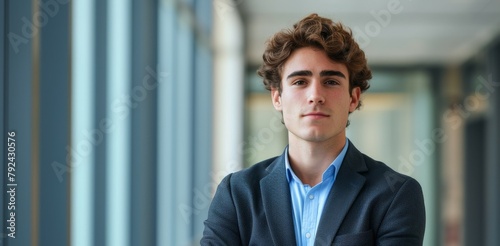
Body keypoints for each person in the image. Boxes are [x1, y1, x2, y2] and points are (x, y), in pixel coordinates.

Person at [201, 13, 425, 246]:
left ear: (353, 98)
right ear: (277, 97)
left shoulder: (395, 194)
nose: (315, 96)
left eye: (331, 82)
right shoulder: (237, 195)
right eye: (300, 82)